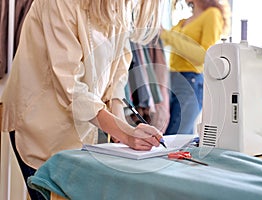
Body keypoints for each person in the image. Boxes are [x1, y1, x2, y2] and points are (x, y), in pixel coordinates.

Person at [1, 0, 164, 199]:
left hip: (81, 129)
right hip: (40, 124)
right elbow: (70, 87)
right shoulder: (59, 3)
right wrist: (125, 133)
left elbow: (117, 74)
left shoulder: (120, 6)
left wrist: (122, 132)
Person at [160, 0, 230, 135]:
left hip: (190, 81)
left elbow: (204, 55)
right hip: (171, 80)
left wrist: (167, 35)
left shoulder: (212, 14)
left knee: (176, 136)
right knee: (168, 135)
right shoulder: (182, 21)